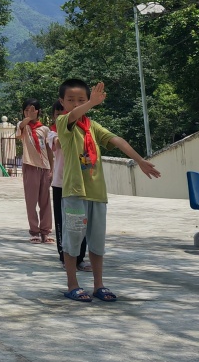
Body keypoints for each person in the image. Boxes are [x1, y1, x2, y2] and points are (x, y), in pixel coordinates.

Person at [55, 79, 160, 303]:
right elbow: (74, 116)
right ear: (62, 102)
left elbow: (117, 140)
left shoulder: (92, 126)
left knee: (97, 242)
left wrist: (139, 160)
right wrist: (91, 103)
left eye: (81, 100)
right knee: (73, 241)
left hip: (97, 192)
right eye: (71, 100)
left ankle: (98, 285)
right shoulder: (65, 122)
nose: (76, 104)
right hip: (75, 192)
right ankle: (73, 285)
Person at [47, 101, 88, 270]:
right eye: (58, 115)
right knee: (62, 221)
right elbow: (57, 143)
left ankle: (80, 257)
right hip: (60, 183)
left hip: (79, 183)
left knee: (80, 221)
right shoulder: (52, 134)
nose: (62, 118)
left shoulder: (83, 131)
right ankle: (64, 256)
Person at [17, 98, 53, 244]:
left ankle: (45, 231)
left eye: (33, 110)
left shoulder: (44, 129)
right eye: (26, 110)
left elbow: (49, 150)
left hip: (44, 167)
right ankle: (34, 231)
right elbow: (20, 127)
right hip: (30, 166)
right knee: (31, 201)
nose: (29, 112)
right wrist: (27, 118)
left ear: (39, 111)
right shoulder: (23, 127)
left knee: (45, 201)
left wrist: (52, 168)